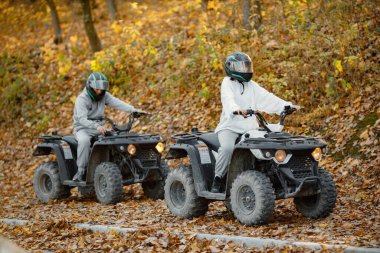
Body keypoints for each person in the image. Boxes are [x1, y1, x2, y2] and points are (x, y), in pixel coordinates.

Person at [210, 52, 299, 193]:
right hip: (230, 127)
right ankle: (218, 179)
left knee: (269, 146)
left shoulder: (251, 85)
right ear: (230, 68)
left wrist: (286, 106)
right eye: (241, 67)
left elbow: (267, 98)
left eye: (246, 66)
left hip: (250, 128)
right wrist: (237, 110)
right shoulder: (227, 83)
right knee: (227, 148)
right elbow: (228, 100)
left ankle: (273, 177)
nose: (245, 70)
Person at [72, 72, 144, 181]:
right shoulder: (82, 99)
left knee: (117, 139)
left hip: (101, 127)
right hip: (84, 128)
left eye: (101, 89)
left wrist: (133, 110)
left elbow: (117, 103)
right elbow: (81, 119)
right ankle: (81, 171)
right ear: (90, 86)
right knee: (84, 141)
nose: (100, 91)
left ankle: (120, 165)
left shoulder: (104, 96)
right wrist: (96, 126)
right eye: (97, 89)